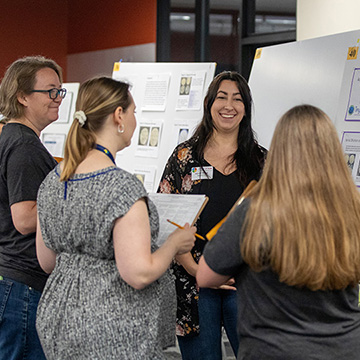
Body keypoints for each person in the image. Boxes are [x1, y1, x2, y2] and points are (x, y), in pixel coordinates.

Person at [35, 76, 196, 359]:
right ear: (118, 115)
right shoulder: (122, 188)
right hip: (112, 325)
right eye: (133, 111)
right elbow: (138, 273)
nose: (135, 120)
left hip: (57, 319)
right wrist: (174, 244)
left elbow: (47, 262)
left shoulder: (53, 180)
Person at [197, 104, 360, 360]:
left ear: (280, 152)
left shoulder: (255, 210)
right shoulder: (352, 210)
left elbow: (205, 276)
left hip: (273, 350)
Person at [158, 71, 267, 359]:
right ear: (209, 104)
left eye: (237, 99)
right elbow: (165, 218)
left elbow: (274, 223)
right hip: (192, 282)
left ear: (246, 108)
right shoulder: (184, 157)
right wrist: (196, 270)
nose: (228, 106)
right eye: (222, 97)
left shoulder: (261, 161)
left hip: (244, 284)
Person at [0, 56, 65, 360]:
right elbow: (25, 218)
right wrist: (74, 205)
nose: (58, 99)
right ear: (22, 97)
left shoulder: (13, 139)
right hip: (23, 283)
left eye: (60, 91)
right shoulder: (24, 146)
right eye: (50, 91)